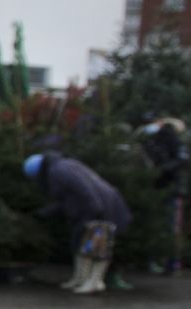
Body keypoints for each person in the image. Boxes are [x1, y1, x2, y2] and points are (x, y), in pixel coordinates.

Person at [23, 151, 130, 296]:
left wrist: (96, 208)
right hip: (94, 207)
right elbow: (68, 199)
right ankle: (81, 279)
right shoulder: (61, 167)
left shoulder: (59, 170)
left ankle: (94, 281)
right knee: (80, 242)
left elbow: (83, 187)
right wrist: (45, 212)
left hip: (101, 208)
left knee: (98, 246)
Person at [137, 116, 187, 273]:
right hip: (172, 189)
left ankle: (153, 261)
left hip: (156, 187)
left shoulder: (153, 140)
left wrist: (159, 171)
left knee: (155, 225)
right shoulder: (175, 142)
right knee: (171, 227)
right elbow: (182, 160)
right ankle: (171, 264)